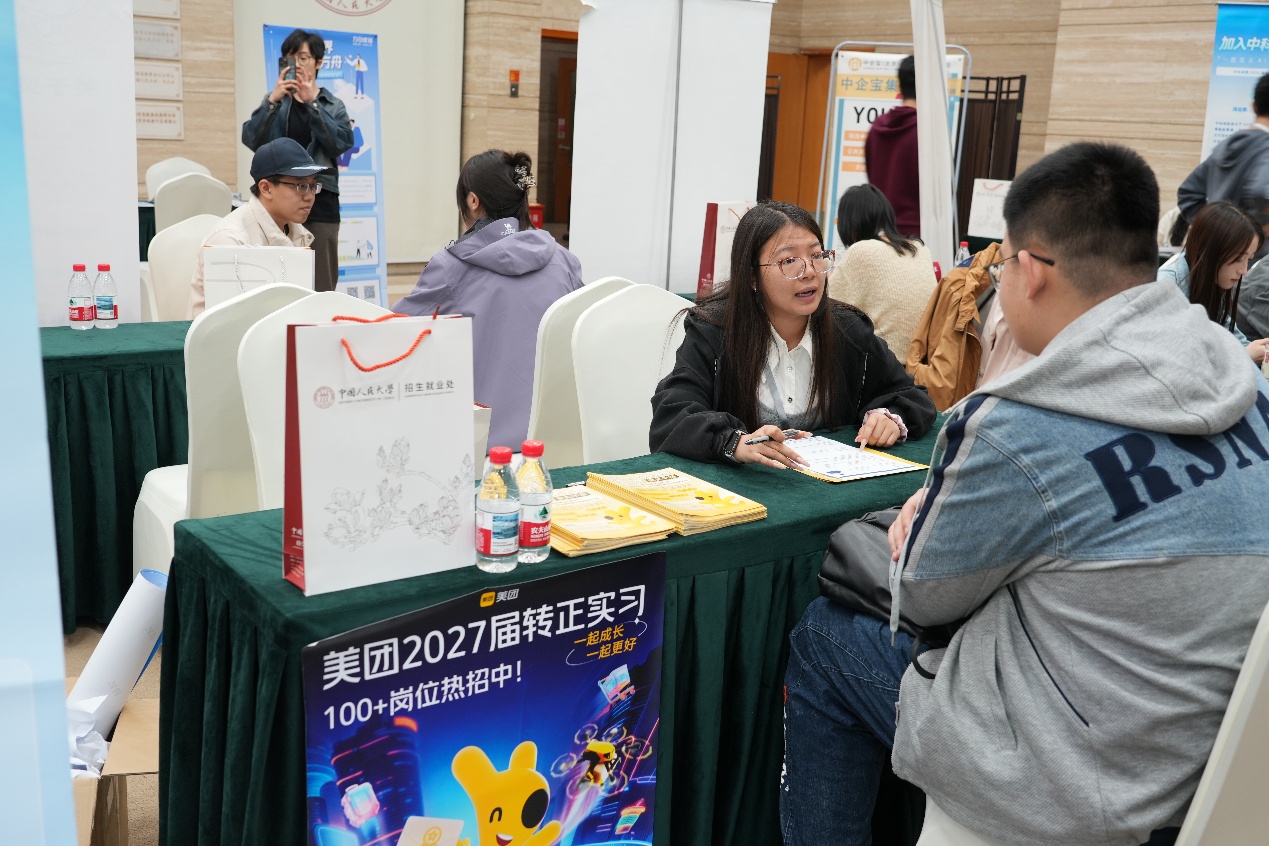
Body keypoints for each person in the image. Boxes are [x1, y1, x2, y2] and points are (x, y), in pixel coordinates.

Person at [781, 142, 1269, 846]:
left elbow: (921, 599)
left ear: (1032, 271)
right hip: (1220, 770)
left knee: (827, 636)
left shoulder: (1019, 423)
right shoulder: (1245, 380)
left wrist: (925, 523)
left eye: (1001, 262)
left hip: (1071, 783)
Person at [649, 201, 936, 467]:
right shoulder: (714, 331)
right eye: (789, 261)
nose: (809, 272)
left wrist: (888, 417)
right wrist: (732, 441)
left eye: (817, 256)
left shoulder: (847, 330)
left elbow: (910, 395)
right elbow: (672, 415)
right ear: (751, 277)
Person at [393, 150, 583, 448]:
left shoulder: (451, 267)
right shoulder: (564, 260)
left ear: (472, 200)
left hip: (480, 445)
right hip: (557, 441)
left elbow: (396, 333)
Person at [243, 28, 353, 293]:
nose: (297, 64)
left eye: (303, 58)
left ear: (319, 63)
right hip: (278, 202)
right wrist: (272, 101)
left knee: (321, 282)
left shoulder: (331, 104)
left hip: (320, 200)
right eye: (291, 58)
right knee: (276, 279)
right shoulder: (276, 102)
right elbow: (251, 138)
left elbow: (340, 143)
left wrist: (312, 103)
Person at [186, 138, 324, 318]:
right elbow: (229, 322)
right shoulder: (230, 239)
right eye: (301, 186)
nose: (310, 196)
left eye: (313, 186)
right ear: (266, 188)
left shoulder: (297, 232)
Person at [828, 184, 936, 361]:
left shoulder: (861, 250)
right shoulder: (920, 248)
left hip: (885, 364)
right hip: (922, 361)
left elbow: (827, 306)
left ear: (849, 222)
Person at [1156, 200, 1268, 364]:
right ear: (1210, 250)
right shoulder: (1167, 291)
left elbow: (1230, 333)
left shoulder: (1212, 278)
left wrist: (1252, 350)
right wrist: (1243, 356)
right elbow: (1174, 365)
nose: (1244, 270)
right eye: (1238, 258)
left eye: (1249, 259)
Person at [1177, 72, 1269, 254]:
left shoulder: (1227, 145)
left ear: (1254, 106)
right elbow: (1261, 192)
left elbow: (1188, 193)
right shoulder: (1266, 145)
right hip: (1258, 259)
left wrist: (1218, 232)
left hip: (1221, 257)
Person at [865, 56, 920, 238]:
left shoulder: (877, 128)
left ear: (899, 85)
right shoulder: (926, 132)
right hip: (917, 236)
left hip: (880, 232)